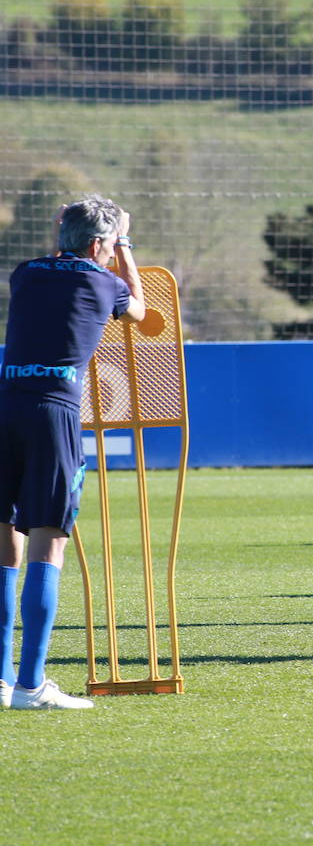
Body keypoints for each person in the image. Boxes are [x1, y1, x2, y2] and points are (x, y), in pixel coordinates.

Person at [1, 196, 145, 709]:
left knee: (4, 535)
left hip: (6, 406)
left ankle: (1, 677)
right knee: (49, 539)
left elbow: (57, 264)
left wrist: (74, 230)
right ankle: (31, 686)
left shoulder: (24, 273)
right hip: (53, 412)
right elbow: (141, 311)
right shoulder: (105, 282)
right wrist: (125, 244)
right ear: (98, 244)